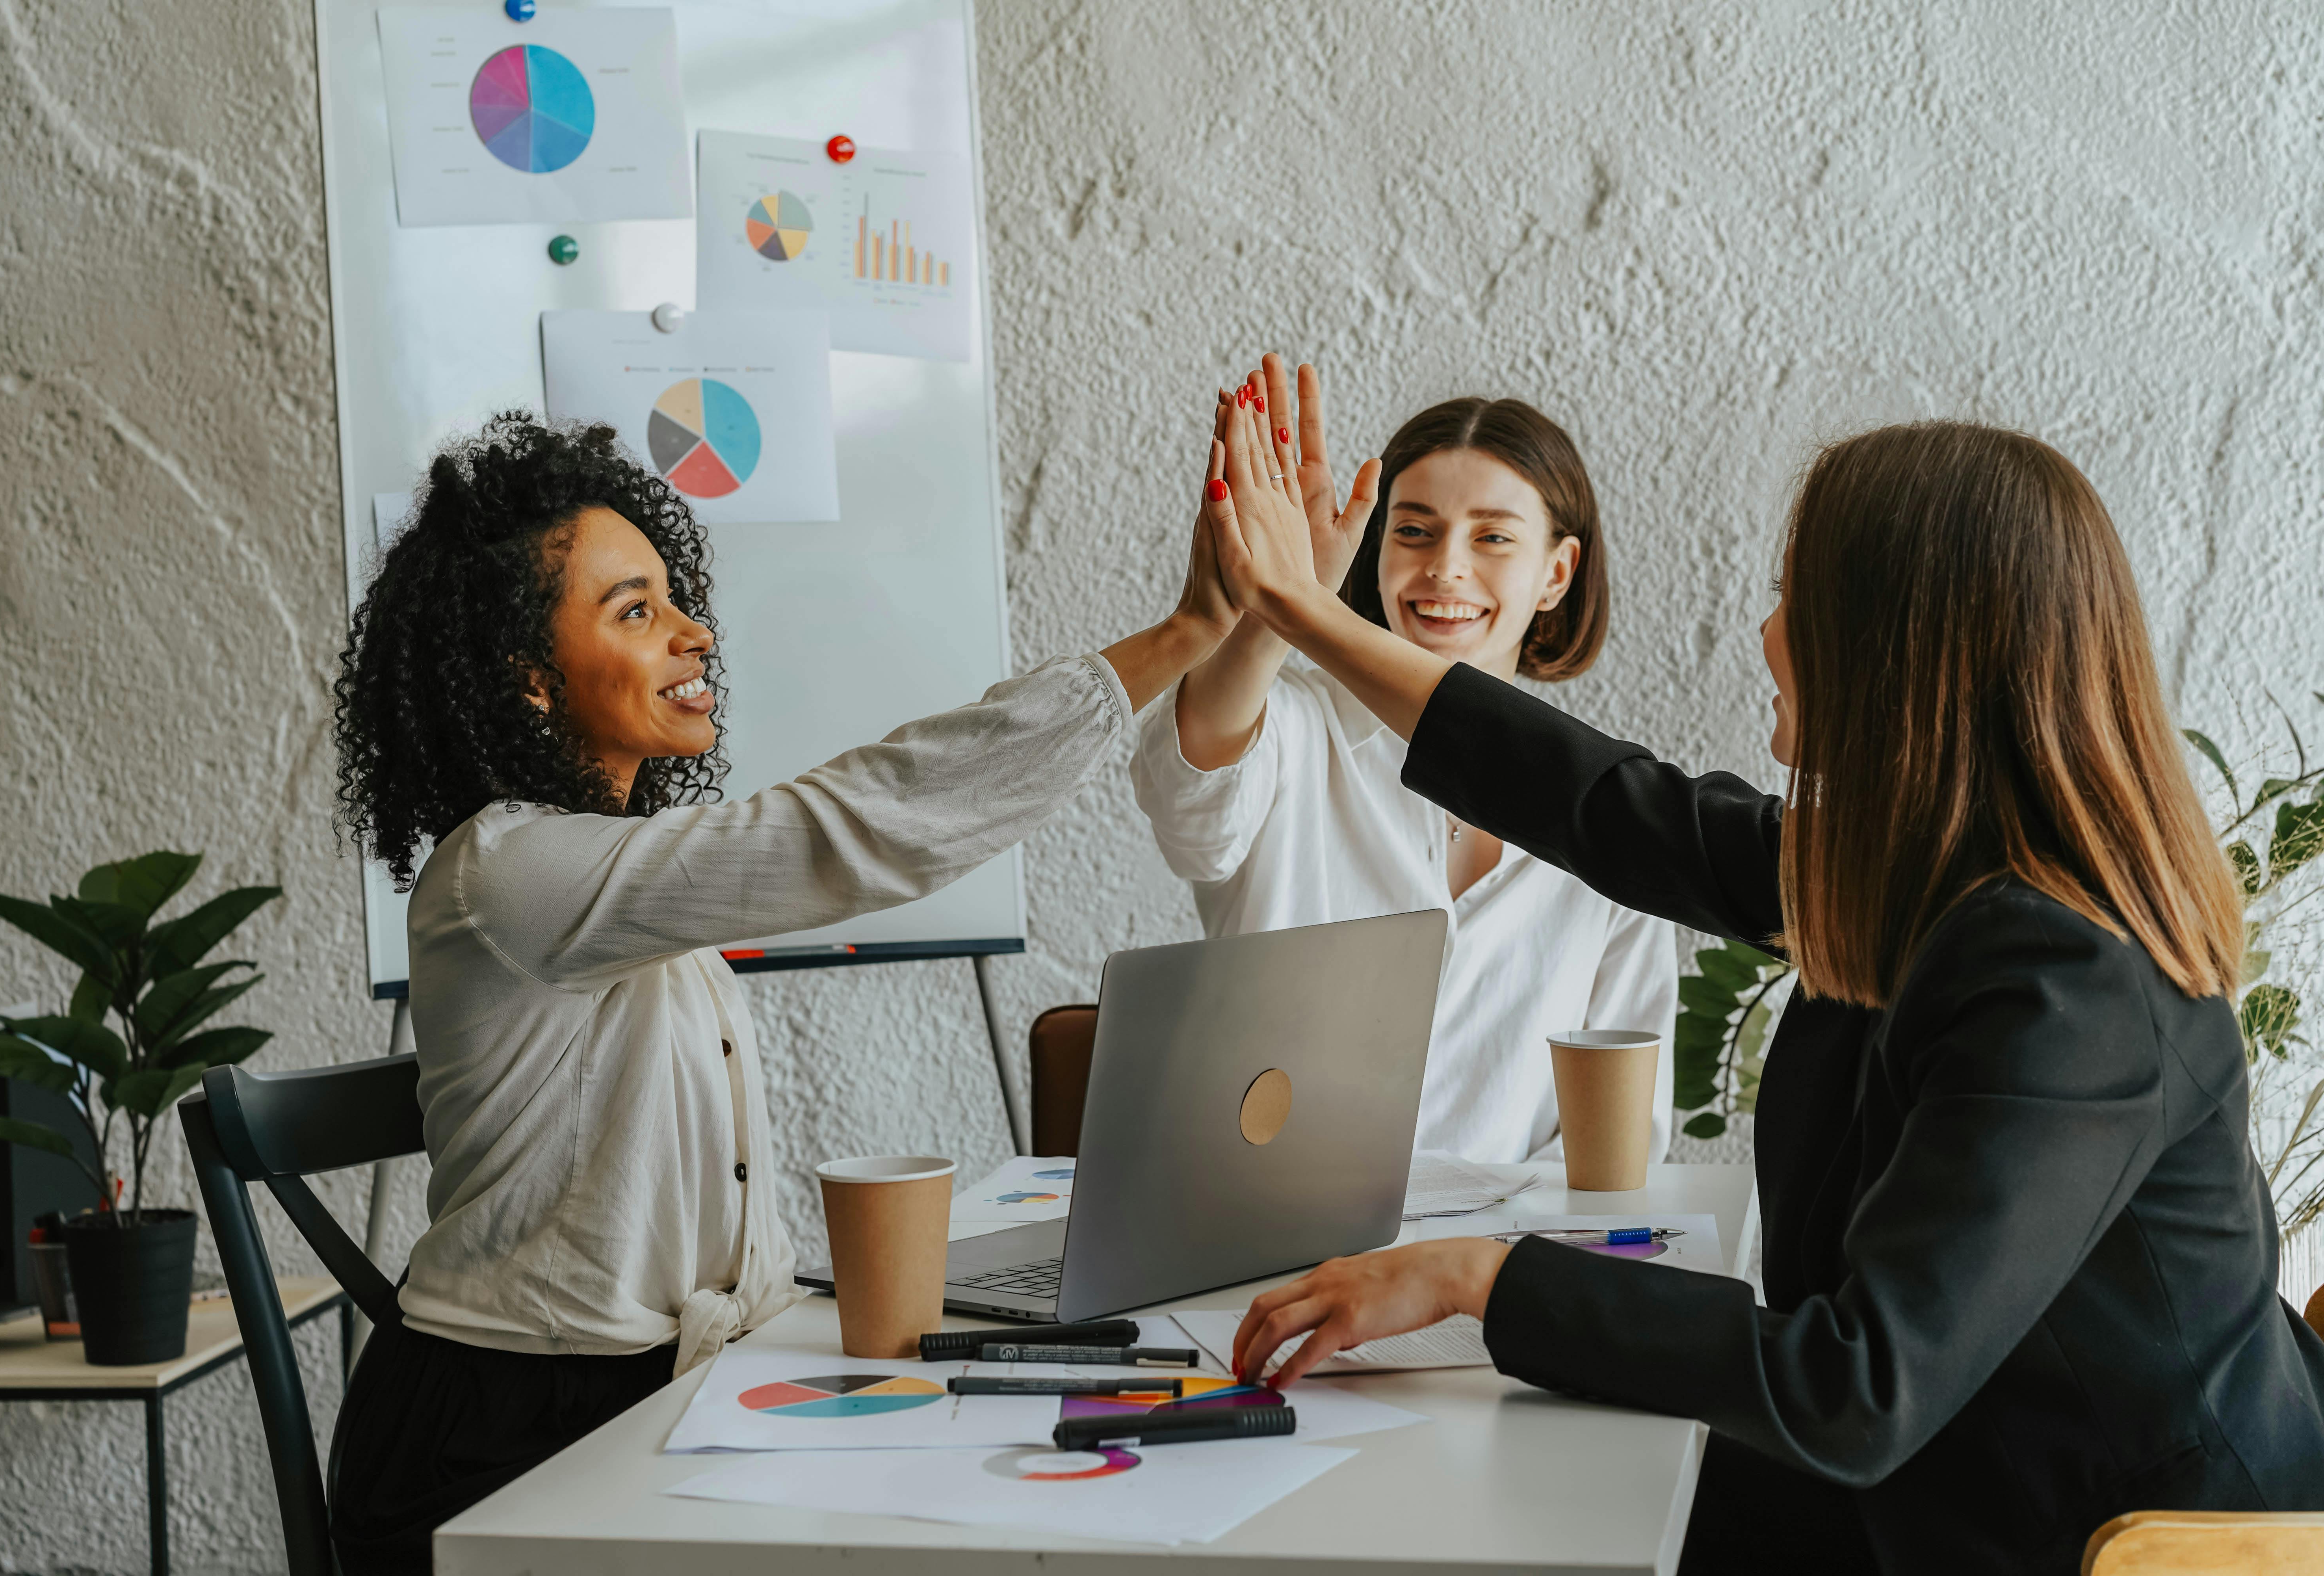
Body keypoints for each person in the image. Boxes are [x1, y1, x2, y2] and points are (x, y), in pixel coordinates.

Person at [1196, 396, 2324, 1574]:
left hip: (2111, 1542)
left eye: (1798, 599)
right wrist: (1301, 614)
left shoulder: (2069, 981)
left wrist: (1478, 1276)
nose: (1770, 633)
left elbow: (1852, 1387)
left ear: (1900, 649)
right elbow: (1601, 803)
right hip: (1956, 1477)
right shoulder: (1919, 876)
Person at [323, 413, 1240, 1572]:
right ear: (527, 682)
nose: (694, 634)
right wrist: (1186, 636)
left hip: (647, 1399)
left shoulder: (616, 877)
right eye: (636, 612)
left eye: (674, 598)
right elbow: (842, 834)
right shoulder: (508, 873)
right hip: (504, 1440)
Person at [1130, 359, 1675, 1163]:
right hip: (1269, 1250)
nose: (1446, 567)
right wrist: (1283, 601)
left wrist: (1489, 1273)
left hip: (1495, 1268)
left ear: (1556, 573)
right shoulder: (1292, 727)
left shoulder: (1612, 808)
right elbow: (1188, 803)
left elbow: (1621, 1136)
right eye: (1414, 530)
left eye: (1492, 537)